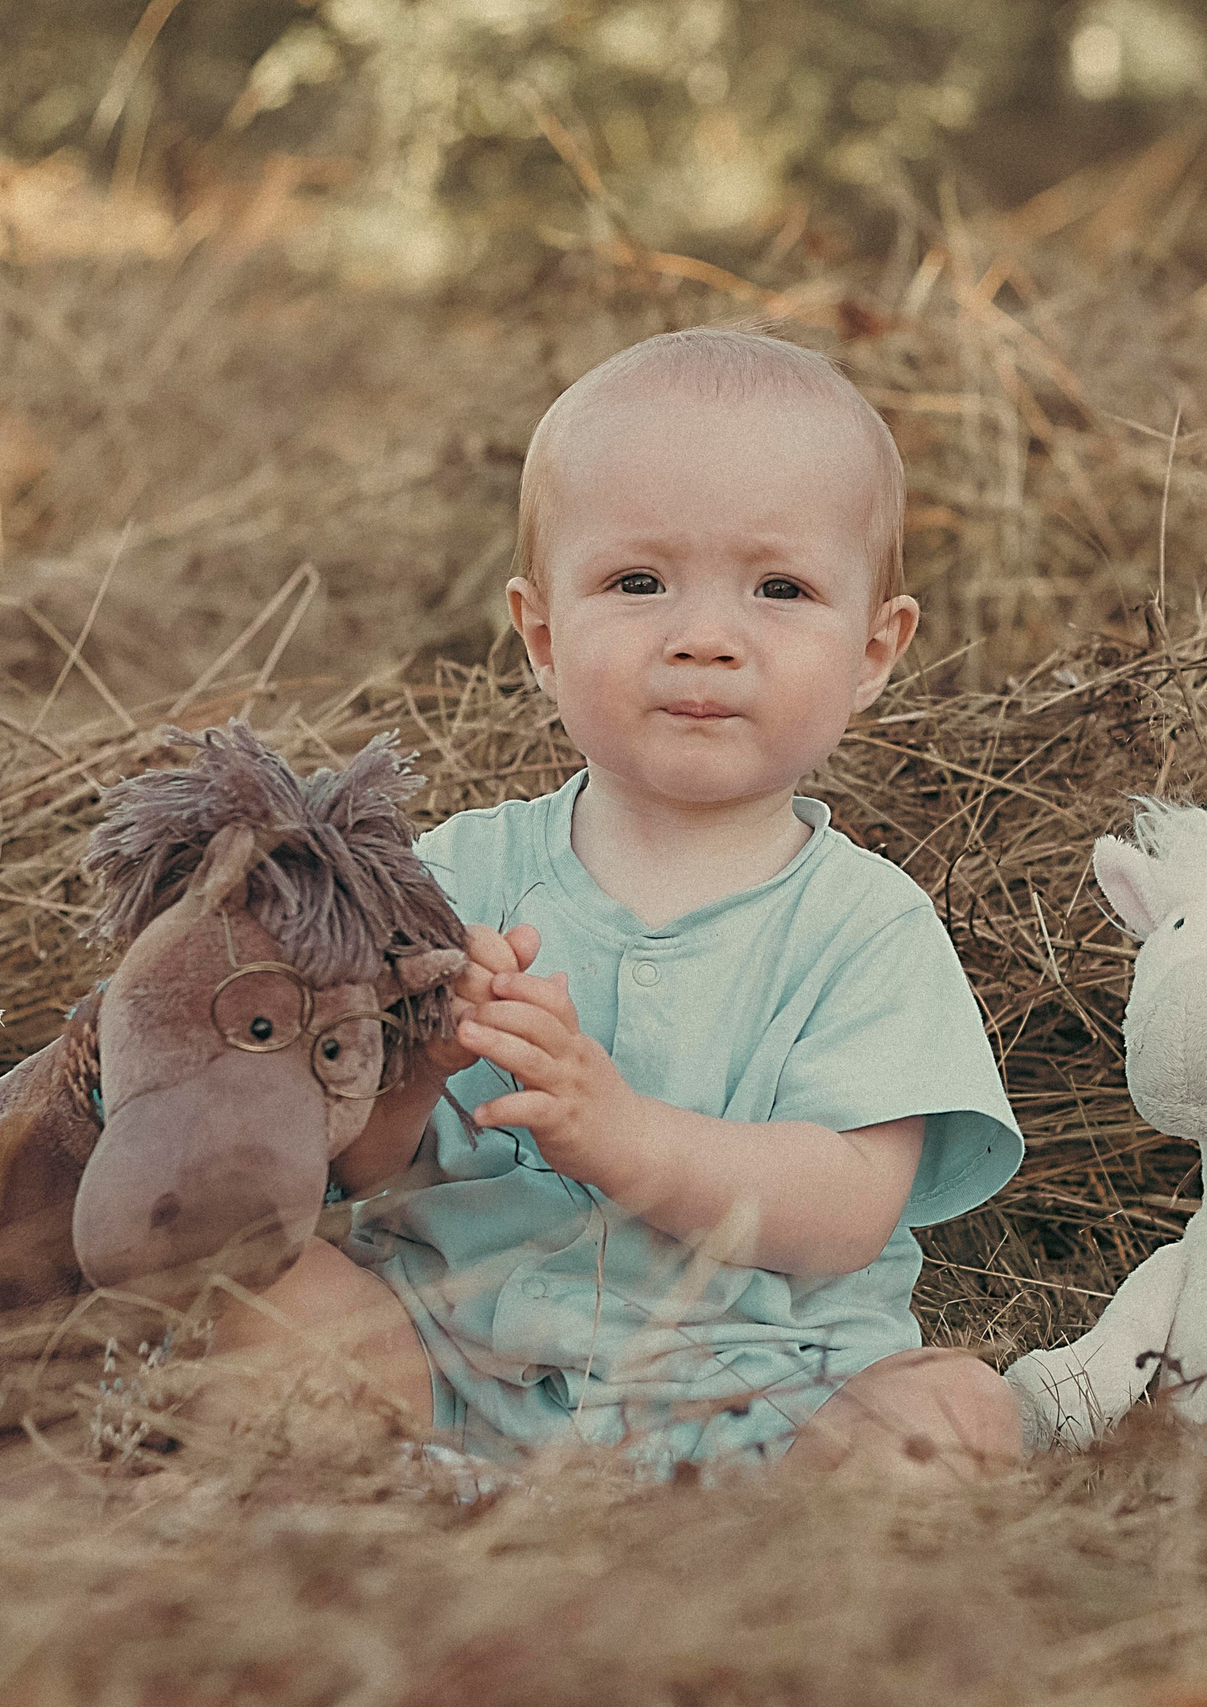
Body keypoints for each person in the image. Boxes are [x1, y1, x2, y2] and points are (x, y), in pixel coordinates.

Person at [204, 327, 1025, 1479]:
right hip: (446, 1376)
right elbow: (364, 1168)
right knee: (243, 1297)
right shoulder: (448, 880)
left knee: (956, 1416)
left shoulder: (866, 926)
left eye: (779, 589)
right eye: (637, 583)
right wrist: (415, 1071)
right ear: (540, 632)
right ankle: (408, 1502)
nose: (701, 639)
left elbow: (848, 1208)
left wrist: (623, 1134)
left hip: (770, 1407)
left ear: (875, 650)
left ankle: (780, 1566)